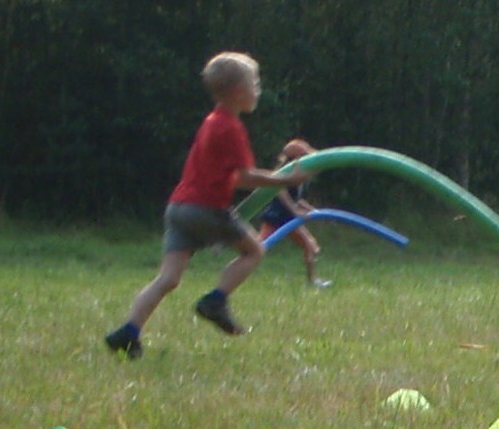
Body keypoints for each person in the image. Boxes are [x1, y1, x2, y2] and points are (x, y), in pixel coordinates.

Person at [103, 52, 298, 358]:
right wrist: (286, 179)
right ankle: (216, 300)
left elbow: (233, 178)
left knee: (168, 279)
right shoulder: (231, 127)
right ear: (238, 91)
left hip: (178, 209)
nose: (258, 90)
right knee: (254, 251)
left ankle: (128, 332)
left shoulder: (210, 122)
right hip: (206, 209)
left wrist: (275, 180)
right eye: (255, 84)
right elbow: (245, 176)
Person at [257, 138, 330, 287]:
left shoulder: (299, 176)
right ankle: (226, 244)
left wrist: (309, 208)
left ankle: (312, 280)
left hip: (288, 219)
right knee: (257, 248)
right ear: (296, 159)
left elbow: (296, 199)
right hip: (276, 217)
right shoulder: (285, 175)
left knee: (310, 247)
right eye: (304, 157)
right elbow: (281, 192)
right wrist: (295, 210)